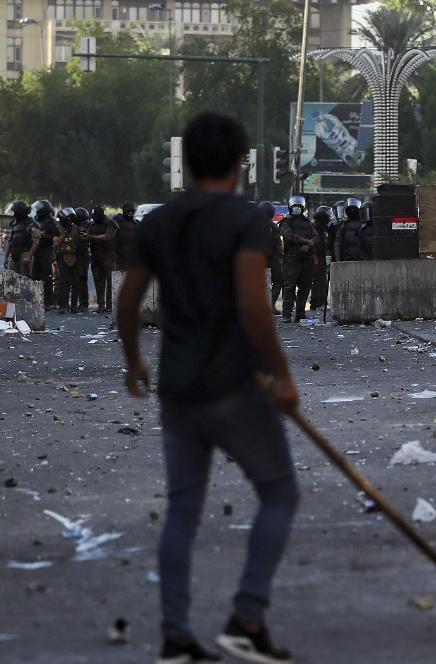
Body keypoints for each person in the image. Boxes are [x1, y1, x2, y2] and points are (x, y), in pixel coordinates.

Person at [117, 112, 298, 664]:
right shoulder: (246, 220)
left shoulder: (159, 223)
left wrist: (134, 362)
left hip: (178, 389)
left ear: (188, 163)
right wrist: (282, 375)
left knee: (182, 511)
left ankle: (175, 634)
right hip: (235, 387)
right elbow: (252, 304)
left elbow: (127, 303)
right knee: (279, 493)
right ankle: (246, 618)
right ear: (240, 163)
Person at [279, 195, 316, 323]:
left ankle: (300, 313)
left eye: (299, 206)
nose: (297, 208)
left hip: (307, 259)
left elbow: (315, 236)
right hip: (292, 259)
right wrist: (306, 242)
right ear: (290, 207)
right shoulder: (286, 222)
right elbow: (289, 236)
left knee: (305, 287)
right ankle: (287, 314)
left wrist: (308, 245)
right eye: (295, 206)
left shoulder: (307, 222)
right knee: (289, 287)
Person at [87, 206, 117, 314]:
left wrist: (92, 237)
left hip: (108, 256)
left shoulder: (110, 224)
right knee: (98, 282)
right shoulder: (92, 224)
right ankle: (101, 304)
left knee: (110, 282)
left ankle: (109, 305)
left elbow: (108, 236)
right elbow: (87, 235)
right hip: (95, 257)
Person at [53, 207, 83, 313]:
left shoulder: (75, 228)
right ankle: (62, 306)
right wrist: (64, 234)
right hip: (62, 256)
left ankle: (74, 306)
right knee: (63, 282)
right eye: (68, 218)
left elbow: (80, 241)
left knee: (76, 282)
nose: (70, 221)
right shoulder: (57, 228)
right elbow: (56, 243)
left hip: (75, 256)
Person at [31, 201, 60, 308]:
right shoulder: (38, 220)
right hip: (37, 252)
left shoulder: (52, 222)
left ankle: (47, 302)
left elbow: (53, 238)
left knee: (46, 277)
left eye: (39, 209)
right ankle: (37, 301)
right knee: (35, 277)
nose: (37, 211)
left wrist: (41, 235)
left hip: (47, 252)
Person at [258, 201, 284, 316]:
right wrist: (281, 255)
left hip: (256, 258)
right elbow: (279, 245)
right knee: (278, 280)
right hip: (271, 258)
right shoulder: (273, 226)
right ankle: (270, 304)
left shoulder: (252, 225)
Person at [308, 206, 332, 312]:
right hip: (316, 256)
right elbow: (315, 243)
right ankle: (316, 303)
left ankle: (321, 302)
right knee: (318, 280)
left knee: (322, 280)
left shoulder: (322, 227)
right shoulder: (315, 226)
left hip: (321, 256)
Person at [332, 198, 369, 262]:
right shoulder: (343, 225)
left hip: (361, 258)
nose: (352, 211)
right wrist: (338, 260)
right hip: (348, 257)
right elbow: (338, 243)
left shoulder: (364, 224)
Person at [4, 200, 34, 275]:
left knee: (24, 279)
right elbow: (11, 242)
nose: (13, 214)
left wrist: (29, 256)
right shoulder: (14, 223)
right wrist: (6, 258)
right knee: (12, 279)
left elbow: (36, 241)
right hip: (14, 255)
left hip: (25, 254)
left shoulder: (30, 223)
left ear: (19, 212)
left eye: (15, 211)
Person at [75, 207, 93, 312]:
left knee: (81, 278)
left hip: (83, 255)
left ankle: (83, 303)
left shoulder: (87, 227)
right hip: (79, 254)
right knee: (80, 279)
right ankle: (81, 302)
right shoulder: (84, 226)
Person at [113, 202, 140, 271]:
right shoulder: (116, 222)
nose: (130, 213)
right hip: (118, 258)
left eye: (132, 211)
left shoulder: (137, 224)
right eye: (128, 211)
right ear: (124, 211)